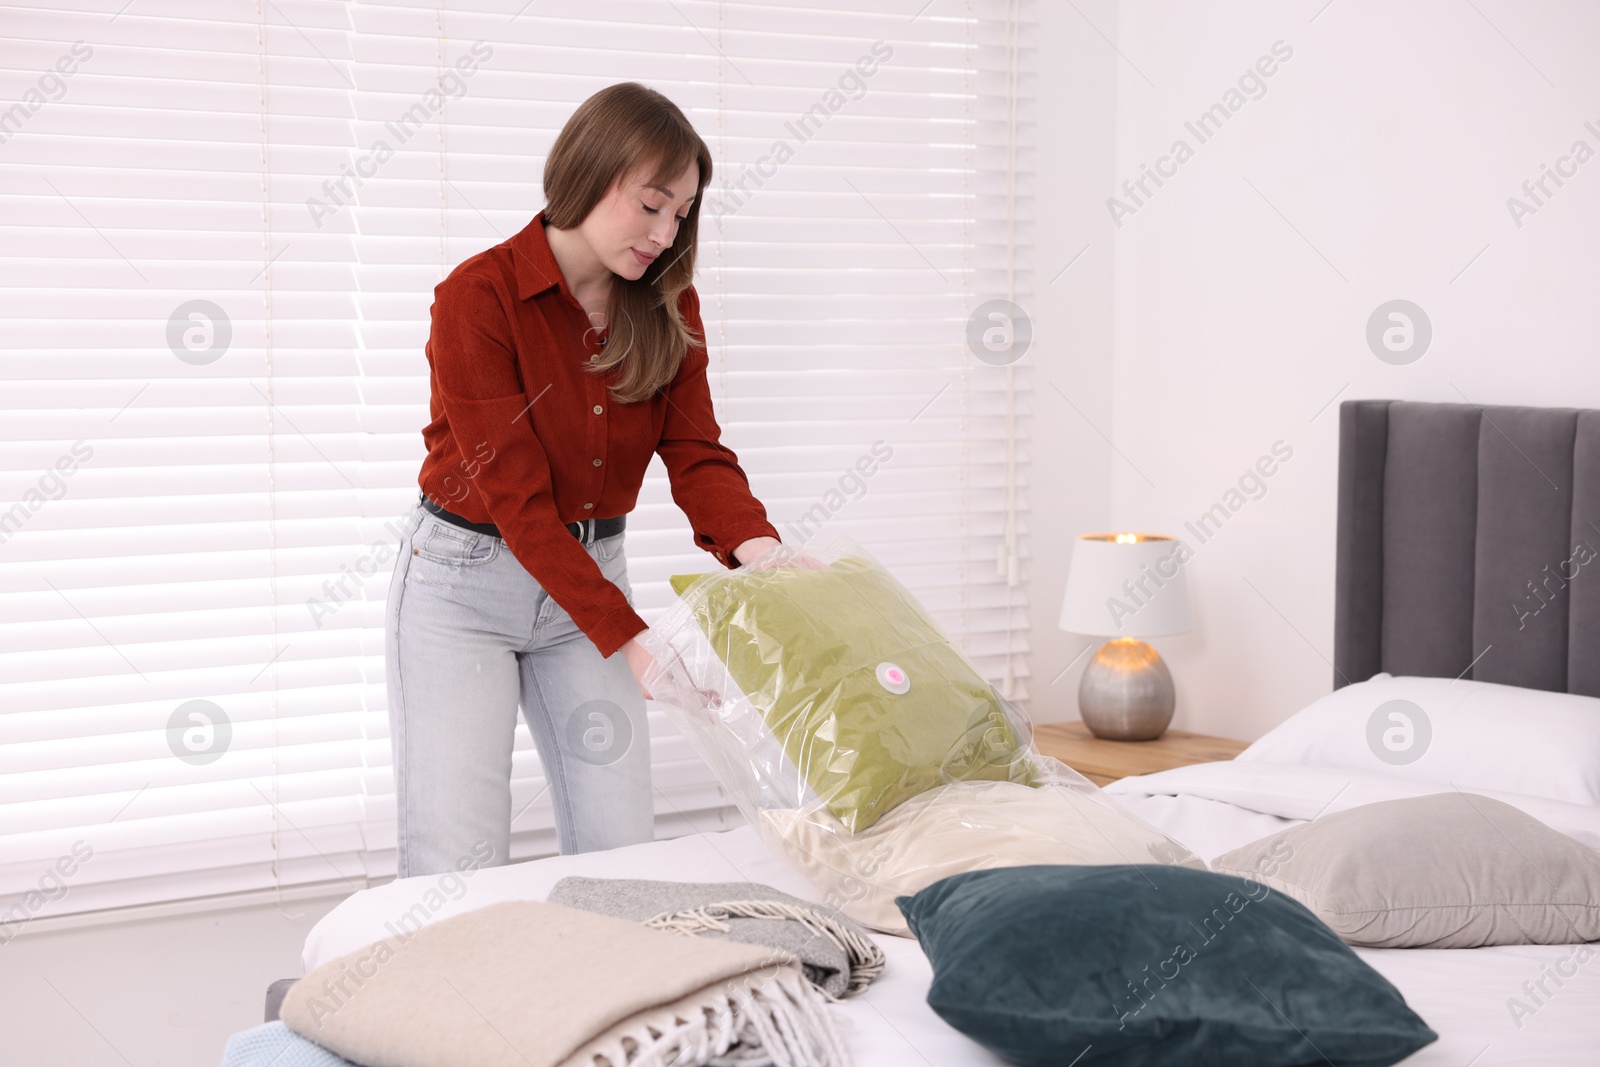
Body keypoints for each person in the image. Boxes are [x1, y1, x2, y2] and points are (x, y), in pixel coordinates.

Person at [384, 82, 810, 879]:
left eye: (681, 213)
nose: (665, 232)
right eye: (651, 205)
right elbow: (515, 498)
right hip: (461, 588)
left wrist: (761, 551)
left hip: (589, 584)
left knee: (622, 852)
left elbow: (697, 451)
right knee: (458, 860)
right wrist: (634, 637)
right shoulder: (477, 299)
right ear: (588, 173)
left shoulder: (667, 308)